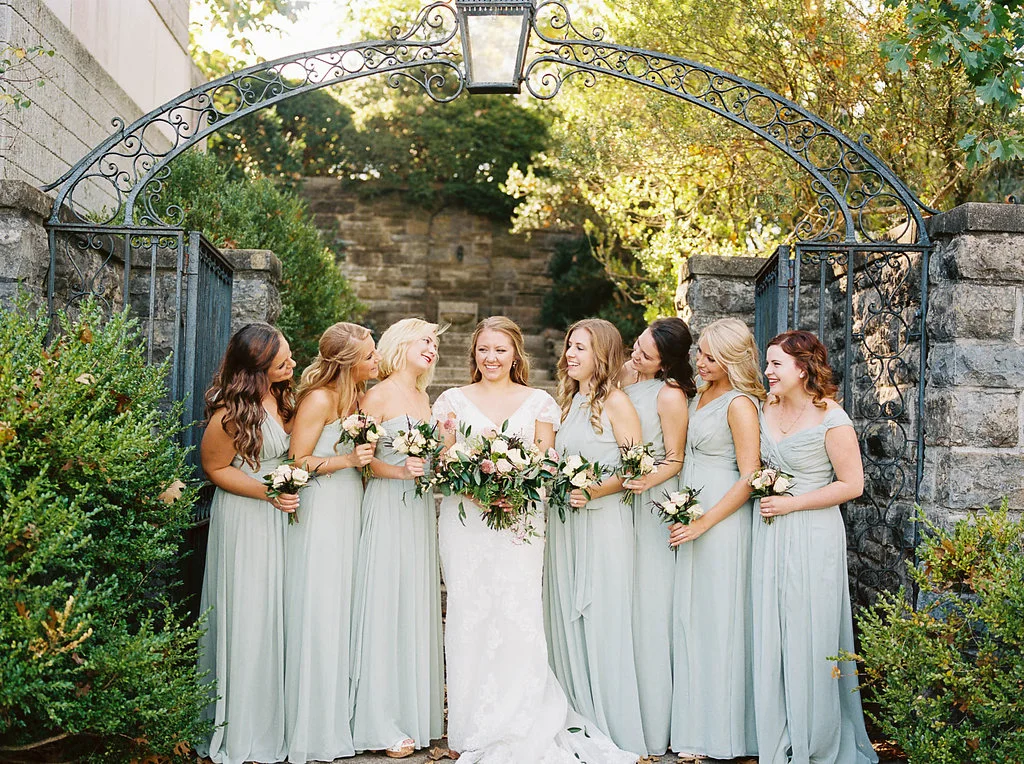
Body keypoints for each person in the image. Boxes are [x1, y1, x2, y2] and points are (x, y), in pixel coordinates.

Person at [434, 316, 637, 764]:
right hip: (466, 519)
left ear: (515, 355)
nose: (491, 358)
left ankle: (520, 715)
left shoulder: (541, 402)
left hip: (521, 522)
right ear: (474, 354)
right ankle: (470, 723)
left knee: (516, 609)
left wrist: (512, 493)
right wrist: (480, 492)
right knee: (469, 610)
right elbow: (445, 459)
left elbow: (545, 463)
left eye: (500, 350)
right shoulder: (450, 399)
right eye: (483, 349)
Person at [752, 330, 878, 764]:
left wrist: (793, 503)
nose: (767, 372)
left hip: (812, 533)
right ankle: (778, 732)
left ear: (802, 369)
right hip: (769, 532)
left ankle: (816, 741)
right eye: (767, 363)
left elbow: (853, 485)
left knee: (810, 632)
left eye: (775, 364)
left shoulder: (832, 418)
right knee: (774, 631)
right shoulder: (766, 408)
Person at [544, 318, 647, 757]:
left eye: (581, 348)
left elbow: (636, 468)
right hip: (565, 525)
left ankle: (610, 719)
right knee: (565, 615)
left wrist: (592, 488)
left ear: (602, 354)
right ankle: (569, 713)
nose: (570, 354)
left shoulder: (617, 402)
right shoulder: (566, 402)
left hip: (603, 524)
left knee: (602, 617)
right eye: (569, 345)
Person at [195, 323, 297, 764]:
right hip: (246, 517)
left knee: (281, 612)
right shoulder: (229, 414)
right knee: (251, 614)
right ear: (257, 369)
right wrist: (267, 493)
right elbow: (215, 468)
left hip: (282, 512)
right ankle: (245, 728)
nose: (292, 364)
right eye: (282, 361)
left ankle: (282, 719)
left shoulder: (285, 397)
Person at [668, 317, 763, 761]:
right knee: (692, 622)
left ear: (731, 358)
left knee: (719, 624)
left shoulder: (740, 404)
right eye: (700, 353)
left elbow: (750, 477)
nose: (699, 361)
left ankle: (724, 735)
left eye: (709, 355)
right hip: (691, 516)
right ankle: (694, 728)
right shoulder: (703, 393)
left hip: (722, 525)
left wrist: (704, 523)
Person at [283, 322, 378, 762]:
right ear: (348, 363)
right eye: (370, 356)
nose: (376, 361)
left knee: (342, 607)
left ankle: (339, 713)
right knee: (320, 608)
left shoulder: (356, 399)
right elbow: (296, 460)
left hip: (350, 506)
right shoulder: (319, 399)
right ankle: (312, 726)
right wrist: (345, 459)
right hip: (322, 510)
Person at [350, 318, 444, 759]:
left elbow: (428, 460)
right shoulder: (377, 394)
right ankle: (379, 720)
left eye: (435, 344)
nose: (432, 348)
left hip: (419, 508)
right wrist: (401, 470)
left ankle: (412, 713)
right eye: (425, 340)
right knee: (386, 603)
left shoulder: (425, 397)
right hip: (388, 506)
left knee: (411, 602)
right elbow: (361, 462)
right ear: (401, 343)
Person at [618, 318, 694, 756]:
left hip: (650, 500)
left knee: (648, 604)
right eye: (636, 346)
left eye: (646, 354)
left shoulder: (670, 395)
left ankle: (653, 721)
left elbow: (675, 458)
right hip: (618, 498)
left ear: (666, 360)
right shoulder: (626, 377)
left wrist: (646, 479)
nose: (636, 356)